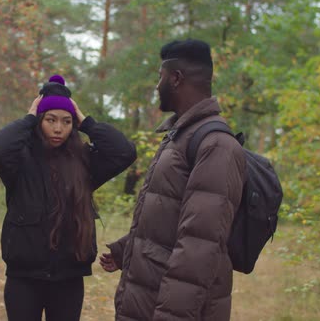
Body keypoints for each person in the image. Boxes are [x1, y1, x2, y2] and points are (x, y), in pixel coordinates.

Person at [100, 39, 246, 320]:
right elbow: (173, 217)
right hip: (148, 299)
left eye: (160, 76)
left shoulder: (215, 145)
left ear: (176, 78)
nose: (157, 85)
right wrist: (128, 247)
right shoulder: (180, 136)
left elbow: (199, 249)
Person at [0, 74, 136, 321]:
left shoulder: (84, 161)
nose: (58, 128)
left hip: (69, 279)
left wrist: (87, 123)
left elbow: (124, 152)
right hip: (24, 278)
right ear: (39, 121)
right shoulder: (19, 161)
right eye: (50, 120)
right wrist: (28, 119)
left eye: (66, 121)